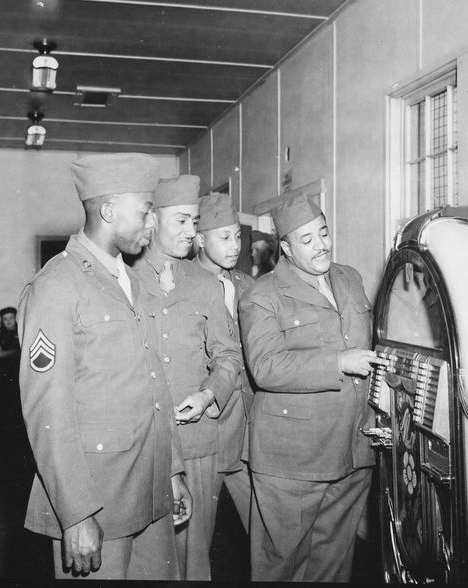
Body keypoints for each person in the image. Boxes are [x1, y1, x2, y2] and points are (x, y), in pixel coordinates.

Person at [18, 152, 191, 580]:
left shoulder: (131, 280)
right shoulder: (56, 286)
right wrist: (75, 514)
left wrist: (172, 470)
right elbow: (48, 414)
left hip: (149, 492)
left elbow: (156, 384)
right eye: (146, 212)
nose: (153, 224)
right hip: (97, 501)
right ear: (109, 210)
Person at [238, 192, 388, 582]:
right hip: (293, 460)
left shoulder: (349, 277)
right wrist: (338, 362)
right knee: (280, 567)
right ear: (285, 248)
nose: (321, 245)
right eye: (306, 240)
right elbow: (265, 367)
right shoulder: (262, 295)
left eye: (323, 233)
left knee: (333, 565)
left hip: (353, 450)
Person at [131, 175, 244, 581]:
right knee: (147, 563)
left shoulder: (204, 284)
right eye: (180, 221)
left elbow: (229, 354)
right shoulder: (123, 280)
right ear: (151, 220)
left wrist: (209, 394)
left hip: (197, 444)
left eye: (194, 222)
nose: (191, 232)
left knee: (194, 561)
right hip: (142, 445)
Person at [194, 193, 256, 535]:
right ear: (200, 240)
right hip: (209, 425)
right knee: (197, 536)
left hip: (248, 428)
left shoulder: (248, 286)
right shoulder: (183, 283)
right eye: (224, 237)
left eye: (237, 235)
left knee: (265, 535)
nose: (235, 245)